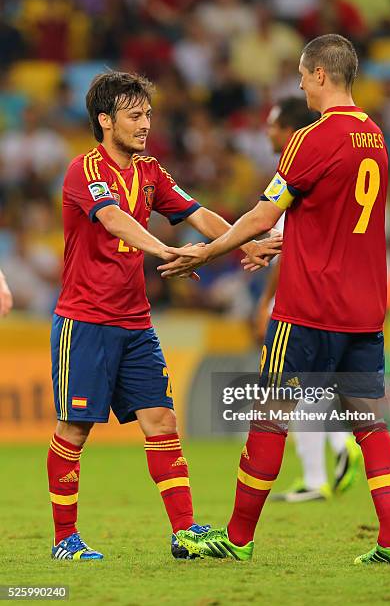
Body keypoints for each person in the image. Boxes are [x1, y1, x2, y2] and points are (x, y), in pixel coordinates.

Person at [161, 34, 390, 565]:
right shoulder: (376, 137)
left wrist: (207, 253)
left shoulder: (310, 137)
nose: (299, 83)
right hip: (363, 309)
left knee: (270, 416)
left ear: (321, 73)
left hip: (308, 309)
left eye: (302, 74)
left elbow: (260, 214)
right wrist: (286, 244)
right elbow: (341, 221)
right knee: (370, 424)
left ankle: (238, 538)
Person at [47, 71, 280, 561]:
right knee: (75, 428)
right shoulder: (83, 170)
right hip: (85, 322)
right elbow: (113, 218)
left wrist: (243, 241)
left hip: (135, 322)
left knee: (162, 420)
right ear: (105, 121)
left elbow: (198, 214)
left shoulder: (150, 170)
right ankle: (64, 539)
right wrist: (166, 251)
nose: (145, 123)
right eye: (135, 115)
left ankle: (184, 531)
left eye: (148, 114)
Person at [257, 97, 360, 503]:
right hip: (335, 295)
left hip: (301, 297)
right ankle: (319, 471)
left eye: (272, 124)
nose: (268, 131)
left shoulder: (301, 168)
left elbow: (288, 245)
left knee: (284, 391)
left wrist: (265, 300)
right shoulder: (327, 166)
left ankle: (335, 447)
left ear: (289, 130)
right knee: (309, 387)